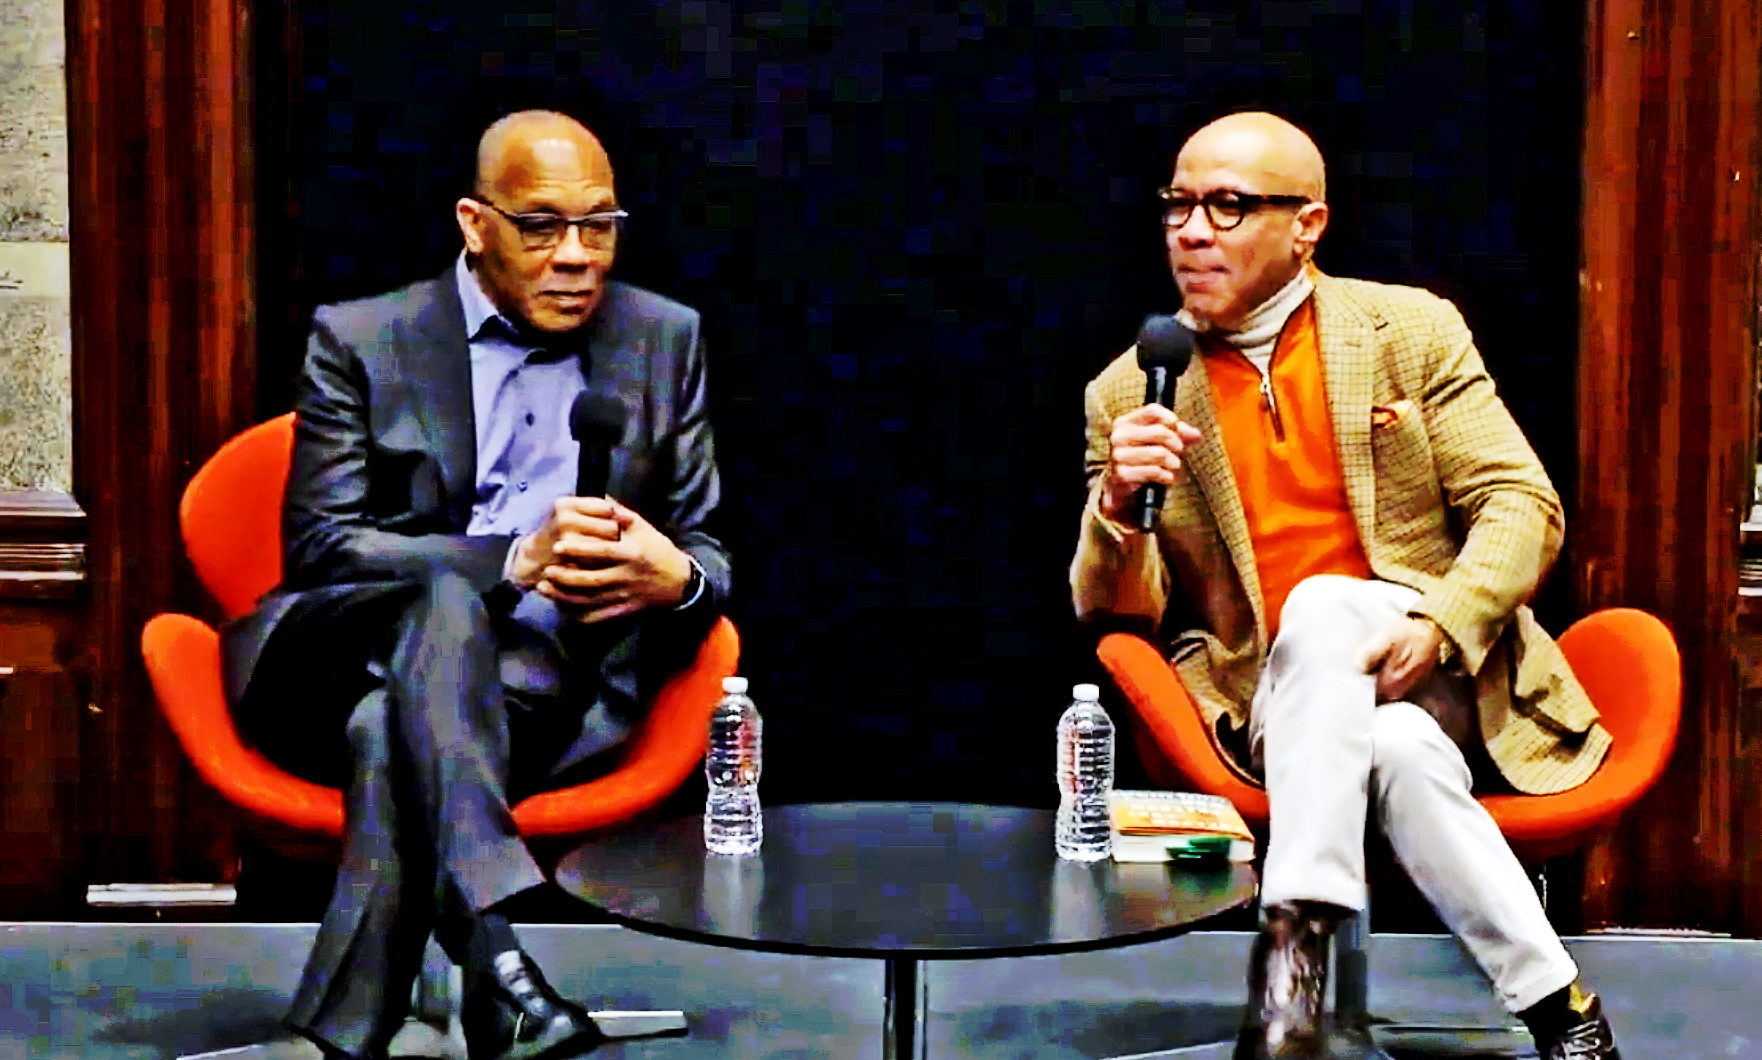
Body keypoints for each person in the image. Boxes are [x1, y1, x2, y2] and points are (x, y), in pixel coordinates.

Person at [1070, 112, 1621, 1060]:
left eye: (1230, 206)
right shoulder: (1130, 390)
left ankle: (1292, 951)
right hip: (1273, 701)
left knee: (1336, 610)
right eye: (1180, 206)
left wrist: (1441, 627)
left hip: (1438, 664)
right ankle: (1563, 1009)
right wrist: (1117, 504)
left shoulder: (1407, 330)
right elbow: (1116, 612)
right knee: (1395, 750)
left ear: (1307, 225)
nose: (1194, 232)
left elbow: (1523, 506)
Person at [222, 110, 730, 1060]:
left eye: (600, 224)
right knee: (445, 603)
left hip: (537, 681)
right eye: (541, 226)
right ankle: (496, 921)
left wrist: (681, 579)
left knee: (390, 727)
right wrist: (507, 562)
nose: (577, 256)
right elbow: (322, 547)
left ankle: (403, 1013)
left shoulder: (667, 341)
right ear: (473, 222)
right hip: (332, 661)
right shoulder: (366, 338)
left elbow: (708, 545)